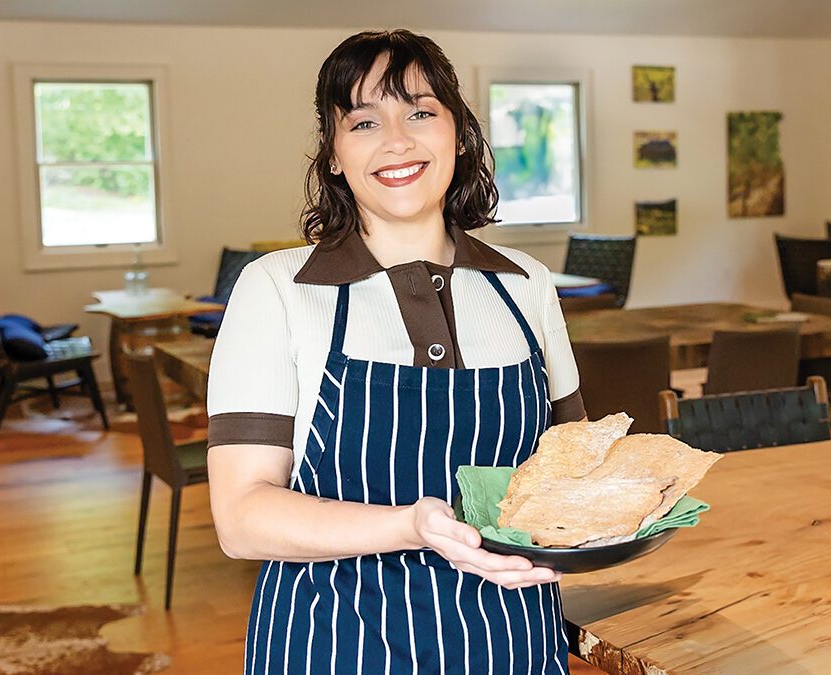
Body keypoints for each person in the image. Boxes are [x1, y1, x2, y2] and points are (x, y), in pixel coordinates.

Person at [206, 28, 586, 674]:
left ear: (458, 134)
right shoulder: (275, 289)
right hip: (334, 645)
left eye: (419, 111)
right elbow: (241, 517)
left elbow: (572, 474)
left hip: (514, 642)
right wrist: (411, 525)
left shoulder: (528, 285)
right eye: (363, 121)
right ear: (332, 154)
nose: (396, 140)